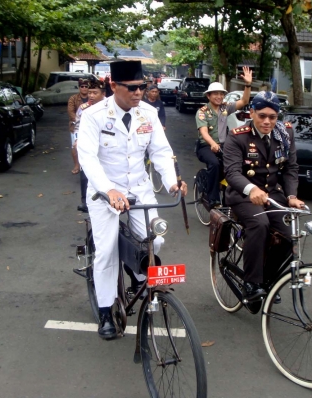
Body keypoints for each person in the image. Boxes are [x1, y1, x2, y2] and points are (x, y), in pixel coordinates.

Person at [77, 60, 188, 340]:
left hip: (139, 188)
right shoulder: (94, 115)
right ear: (113, 86)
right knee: (106, 251)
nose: (139, 93)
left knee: (155, 239)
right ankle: (105, 310)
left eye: (143, 87)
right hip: (105, 193)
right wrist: (108, 189)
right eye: (133, 88)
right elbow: (87, 156)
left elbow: (161, 151)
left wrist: (172, 181)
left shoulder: (148, 114)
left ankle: (136, 267)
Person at [223, 91, 305, 301]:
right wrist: (252, 189)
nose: (267, 121)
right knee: (260, 224)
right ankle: (251, 283)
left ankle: (266, 280)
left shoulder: (285, 134)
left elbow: (290, 168)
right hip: (243, 195)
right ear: (252, 113)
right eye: (262, 116)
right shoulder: (238, 135)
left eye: (272, 117)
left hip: (272, 194)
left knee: (290, 233)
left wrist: (292, 196)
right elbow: (232, 173)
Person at [195, 66, 253, 208]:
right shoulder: (202, 112)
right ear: (208, 96)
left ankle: (232, 198)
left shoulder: (225, 108)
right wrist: (212, 144)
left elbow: (244, 101)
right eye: (215, 94)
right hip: (205, 146)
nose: (219, 97)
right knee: (214, 164)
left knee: (236, 165)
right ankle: (213, 199)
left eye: (221, 94)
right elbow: (203, 132)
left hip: (223, 145)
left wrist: (248, 85)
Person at [73, 77, 107, 213]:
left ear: (103, 94)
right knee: (85, 171)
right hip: (88, 144)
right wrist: (77, 140)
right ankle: (85, 202)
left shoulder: (110, 107)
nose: (91, 95)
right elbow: (77, 126)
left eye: (95, 92)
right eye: (90, 92)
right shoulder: (83, 108)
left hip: (105, 146)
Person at [67, 79, 89, 174]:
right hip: (76, 126)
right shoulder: (73, 98)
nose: (84, 88)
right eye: (82, 86)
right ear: (79, 88)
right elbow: (70, 112)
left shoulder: (93, 97)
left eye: (86, 86)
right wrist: (79, 120)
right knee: (75, 147)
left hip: (91, 126)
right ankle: (77, 165)